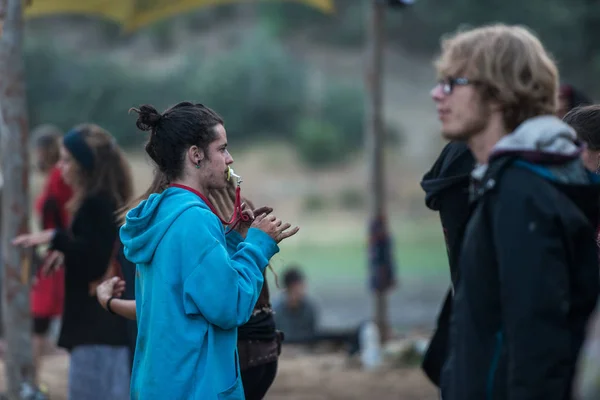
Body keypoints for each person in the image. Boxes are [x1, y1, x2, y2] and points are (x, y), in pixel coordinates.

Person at [431, 24, 600, 399]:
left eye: (453, 82)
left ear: (498, 94)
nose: (436, 94)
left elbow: (536, 344)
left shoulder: (522, 195)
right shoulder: (514, 181)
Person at [105, 102, 299, 399]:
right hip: (195, 387)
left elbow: (181, 297)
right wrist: (258, 247)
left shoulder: (161, 214)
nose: (229, 158)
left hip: (160, 384)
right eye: (221, 149)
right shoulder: (196, 220)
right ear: (196, 155)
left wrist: (234, 240)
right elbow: (230, 307)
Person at [13, 124, 134, 400]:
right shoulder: (99, 201)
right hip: (100, 330)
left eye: (67, 160)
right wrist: (66, 247)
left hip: (97, 329)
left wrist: (55, 238)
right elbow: (93, 246)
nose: (61, 166)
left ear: (85, 165)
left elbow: (94, 260)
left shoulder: (95, 204)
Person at [29, 124, 73, 382]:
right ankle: (31, 383)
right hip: (53, 254)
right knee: (44, 323)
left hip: (58, 257)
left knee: (43, 321)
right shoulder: (54, 176)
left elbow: (64, 217)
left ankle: (31, 384)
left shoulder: (59, 177)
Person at [272, 267, 318, 344]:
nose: (300, 292)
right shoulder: (276, 311)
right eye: (296, 288)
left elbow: (311, 334)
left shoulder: (309, 308)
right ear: (287, 289)